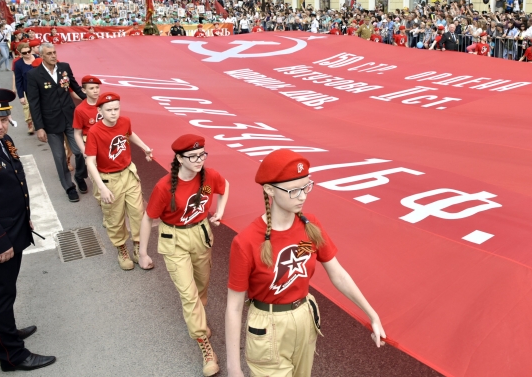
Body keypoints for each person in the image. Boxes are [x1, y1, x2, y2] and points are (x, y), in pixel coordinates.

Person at [225, 149, 386, 377]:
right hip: (268, 325)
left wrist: (372, 315)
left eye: (306, 187)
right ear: (269, 189)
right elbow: (233, 306)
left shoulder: (311, 226)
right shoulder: (246, 242)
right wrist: (234, 368)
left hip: (304, 317)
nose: (302, 196)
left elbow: (338, 274)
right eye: (293, 190)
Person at [0, 88, 56, 372]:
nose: (0, 125)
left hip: (10, 230)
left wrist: (24, 216)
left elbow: (15, 178)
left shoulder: (1, 139)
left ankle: (7, 332)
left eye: (4, 118)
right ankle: (11, 355)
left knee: (6, 292)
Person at [138, 134, 229, 376]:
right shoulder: (164, 187)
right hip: (174, 239)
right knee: (188, 295)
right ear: (179, 158)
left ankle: (197, 317)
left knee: (201, 288)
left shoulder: (209, 176)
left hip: (201, 234)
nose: (200, 160)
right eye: (193, 156)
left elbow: (224, 185)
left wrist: (219, 211)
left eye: (202, 154)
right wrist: (142, 252)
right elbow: (148, 219)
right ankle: (204, 346)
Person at [84, 92, 153, 270]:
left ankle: (138, 246)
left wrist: (145, 147)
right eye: (109, 110)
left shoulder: (125, 121)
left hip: (128, 173)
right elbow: (90, 161)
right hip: (109, 178)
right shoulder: (95, 132)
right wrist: (101, 188)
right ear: (100, 110)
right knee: (114, 217)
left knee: (138, 212)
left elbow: (130, 134)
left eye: (116, 109)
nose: (113, 113)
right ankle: (122, 248)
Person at [25, 42, 88, 201]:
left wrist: (92, 102)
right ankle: (69, 187)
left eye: (54, 53)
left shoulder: (64, 67)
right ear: (41, 56)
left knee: (80, 151)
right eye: (49, 54)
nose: (53, 56)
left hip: (70, 117)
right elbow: (34, 102)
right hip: (50, 122)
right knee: (60, 157)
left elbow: (76, 88)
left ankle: (80, 176)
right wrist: (39, 127)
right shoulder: (33, 75)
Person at [12, 42, 38, 134]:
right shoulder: (18, 64)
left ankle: (41, 125)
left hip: (41, 88)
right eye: (24, 53)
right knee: (29, 107)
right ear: (19, 53)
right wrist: (21, 96)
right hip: (28, 90)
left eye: (29, 51)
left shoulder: (38, 58)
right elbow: (18, 80)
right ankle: (30, 123)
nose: (27, 54)